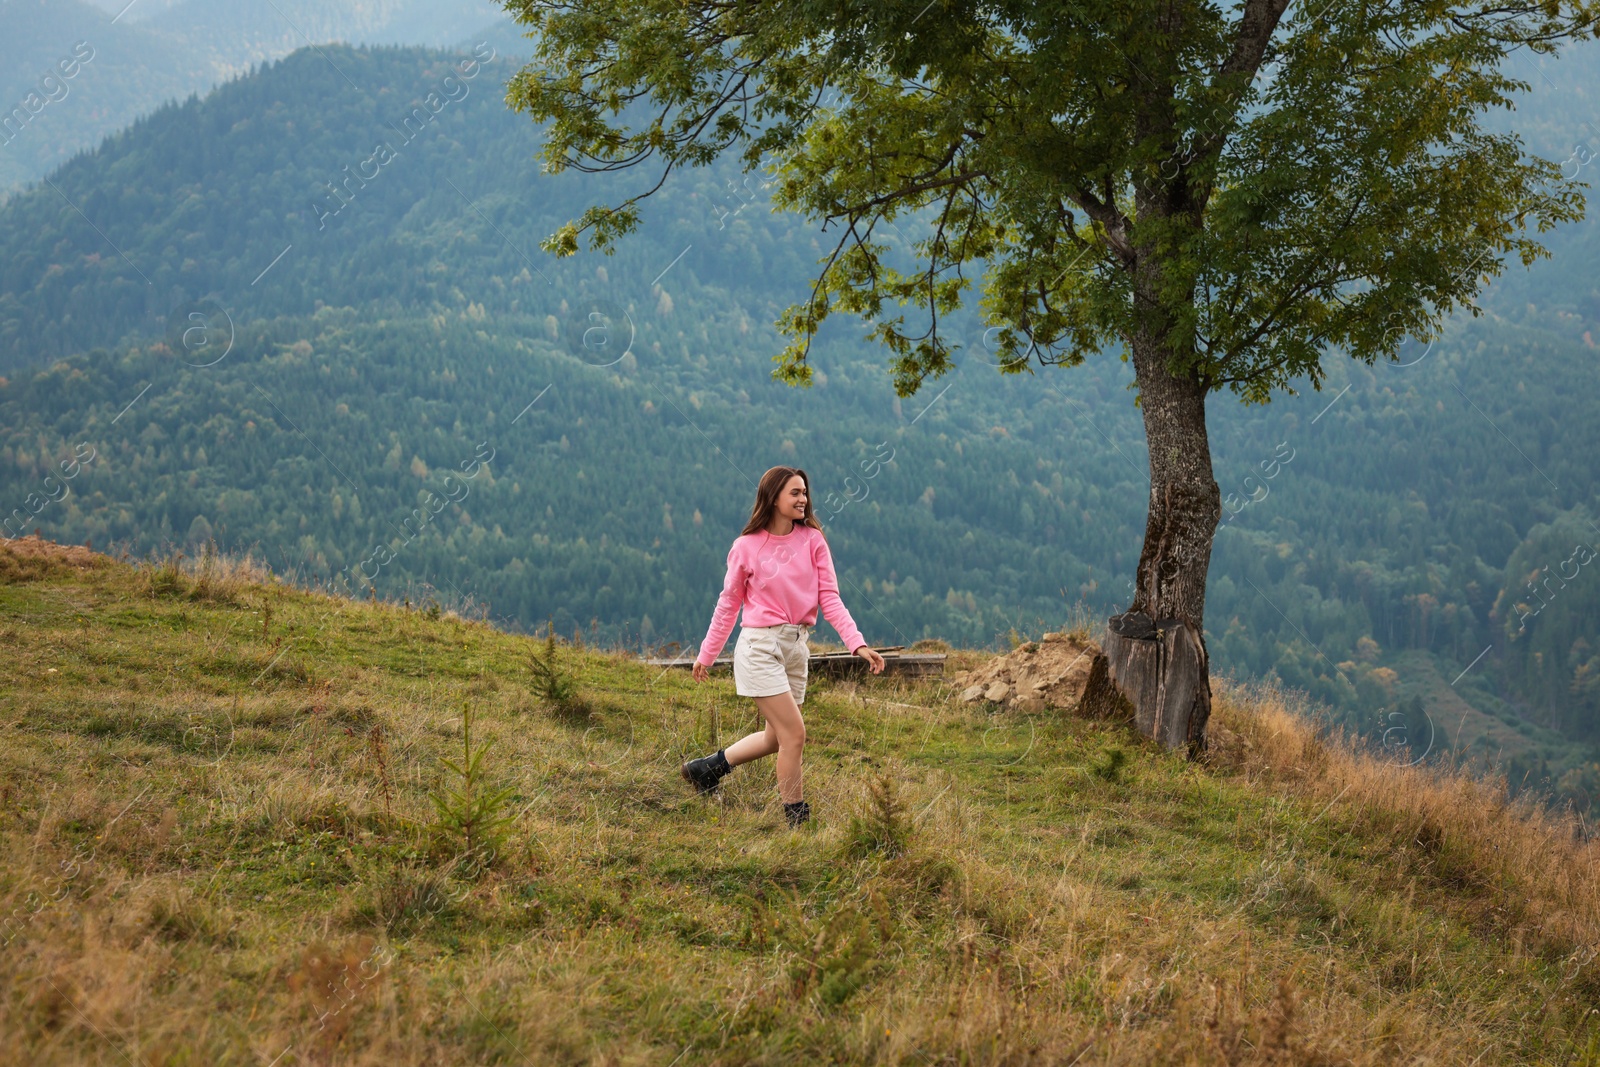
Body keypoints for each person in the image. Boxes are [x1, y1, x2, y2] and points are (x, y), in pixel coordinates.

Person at [681, 465, 886, 826]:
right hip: (760, 647)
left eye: (805, 492)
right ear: (773, 497)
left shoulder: (813, 541)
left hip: (796, 648)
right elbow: (729, 604)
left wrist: (858, 644)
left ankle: (706, 769)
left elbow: (830, 599)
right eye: (794, 492)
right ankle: (797, 820)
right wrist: (707, 654)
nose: (803, 499)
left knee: (775, 738)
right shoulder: (746, 547)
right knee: (795, 734)